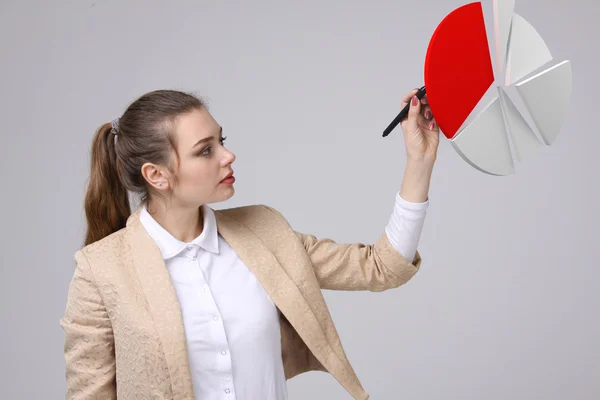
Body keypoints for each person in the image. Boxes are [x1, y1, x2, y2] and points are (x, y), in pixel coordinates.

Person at [59, 88, 439, 400]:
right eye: (205, 150)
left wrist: (418, 160)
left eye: (220, 141)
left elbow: (381, 267)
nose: (228, 155)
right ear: (157, 175)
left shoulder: (265, 232)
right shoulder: (100, 271)